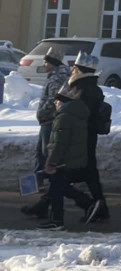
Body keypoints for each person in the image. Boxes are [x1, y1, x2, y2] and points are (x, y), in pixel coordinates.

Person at [36, 84, 90, 230]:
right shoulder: (75, 114)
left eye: (58, 100)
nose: (55, 103)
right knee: (59, 188)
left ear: (64, 102)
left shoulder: (64, 117)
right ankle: (87, 204)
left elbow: (59, 143)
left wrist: (51, 162)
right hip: (70, 159)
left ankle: (57, 221)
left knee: (56, 191)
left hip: (63, 161)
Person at [66, 52, 110, 222]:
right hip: (89, 136)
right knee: (91, 174)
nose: (72, 69)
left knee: (61, 175)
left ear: (79, 69)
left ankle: (88, 203)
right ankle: (101, 207)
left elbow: (76, 114)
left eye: (74, 67)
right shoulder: (95, 88)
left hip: (78, 137)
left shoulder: (79, 89)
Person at [34, 47, 69, 176]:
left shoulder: (56, 77)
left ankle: (51, 180)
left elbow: (54, 99)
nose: (44, 64)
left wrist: (43, 112)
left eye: (46, 62)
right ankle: (39, 179)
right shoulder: (58, 74)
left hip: (49, 119)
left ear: (52, 62)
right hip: (48, 119)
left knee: (46, 153)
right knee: (40, 152)